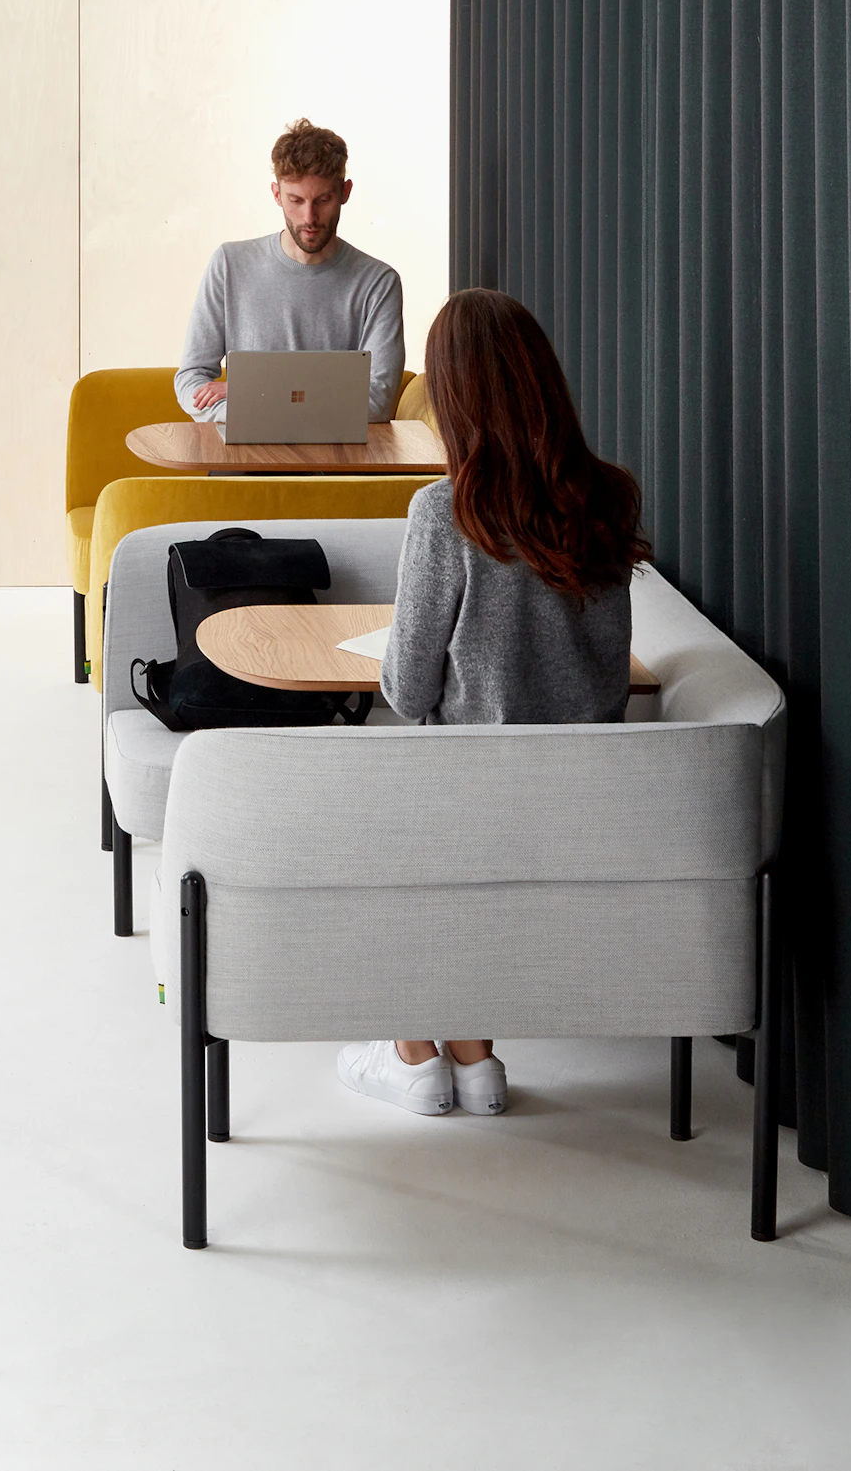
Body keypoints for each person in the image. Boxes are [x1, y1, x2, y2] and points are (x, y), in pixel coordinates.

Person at [338, 288, 653, 1118]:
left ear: (456, 397)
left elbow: (406, 691)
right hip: (585, 801)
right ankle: (475, 1053)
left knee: (378, 809)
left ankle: (413, 1051)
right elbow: (608, 679)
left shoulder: (446, 512)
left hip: (471, 798)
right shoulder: (610, 496)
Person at [175, 118, 405, 426]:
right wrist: (252, 414)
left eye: (323, 200)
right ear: (276, 194)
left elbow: (377, 402)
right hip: (243, 458)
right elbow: (191, 378)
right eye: (295, 200)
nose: (309, 217)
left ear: (345, 192)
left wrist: (251, 395)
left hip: (333, 466)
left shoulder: (378, 283)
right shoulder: (229, 264)